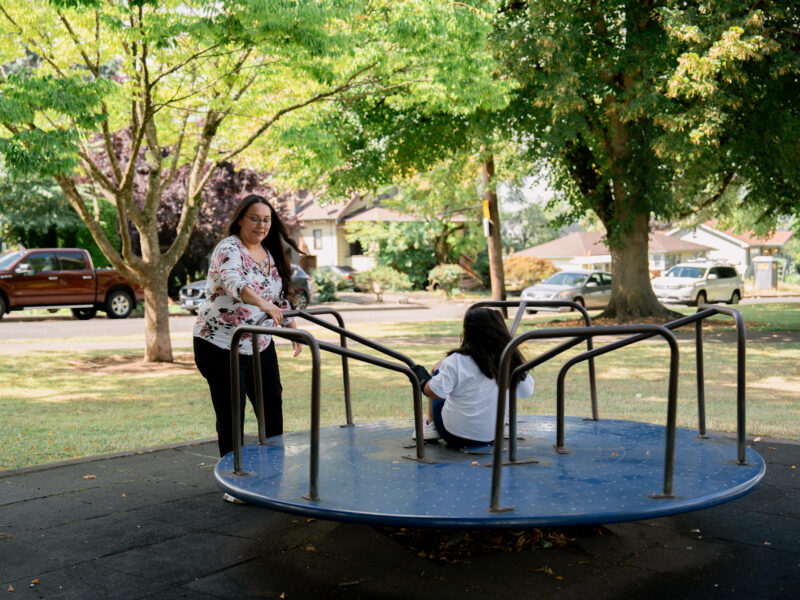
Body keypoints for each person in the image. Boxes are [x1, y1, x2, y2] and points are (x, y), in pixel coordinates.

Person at [193, 194, 304, 501]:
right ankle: (234, 481)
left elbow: (278, 294)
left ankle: (274, 471)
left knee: (272, 405)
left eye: (266, 220)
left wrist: (290, 328)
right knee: (232, 413)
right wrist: (263, 303)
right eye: (254, 218)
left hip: (259, 340)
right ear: (241, 218)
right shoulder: (229, 248)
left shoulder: (269, 252)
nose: (261, 225)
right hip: (219, 342)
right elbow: (234, 282)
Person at [412, 307, 534, 447]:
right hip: (492, 436)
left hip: (453, 435)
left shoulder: (456, 361)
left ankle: (431, 425)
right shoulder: (510, 361)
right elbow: (526, 391)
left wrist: (424, 377)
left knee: (439, 374)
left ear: (467, 331)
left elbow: (433, 392)